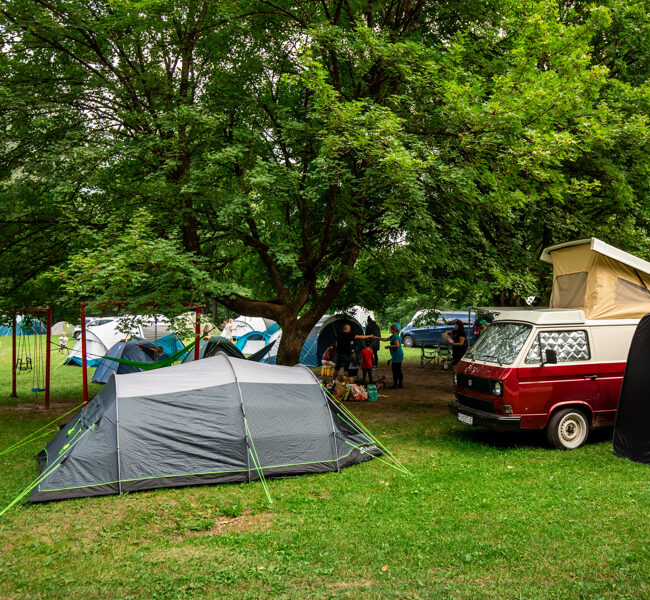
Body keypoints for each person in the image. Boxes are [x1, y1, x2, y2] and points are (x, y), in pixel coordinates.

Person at [377, 324, 404, 389]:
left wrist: (389, 346)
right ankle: (399, 384)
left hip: (397, 355)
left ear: (393, 330)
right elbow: (385, 339)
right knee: (397, 369)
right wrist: (376, 338)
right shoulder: (393, 336)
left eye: (391, 329)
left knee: (395, 370)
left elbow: (397, 345)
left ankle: (396, 384)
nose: (390, 330)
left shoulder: (396, 337)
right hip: (396, 354)